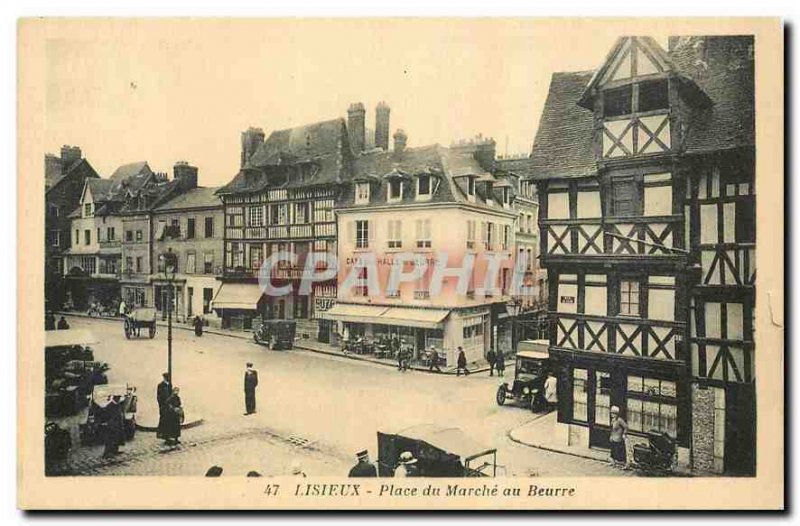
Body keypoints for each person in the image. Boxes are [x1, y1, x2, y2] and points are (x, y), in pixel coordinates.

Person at [156, 373, 171, 439]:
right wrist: (161, 404)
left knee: (167, 420)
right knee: (162, 419)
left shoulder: (169, 385)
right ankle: (160, 433)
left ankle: (166, 434)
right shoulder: (161, 385)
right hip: (163, 405)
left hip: (168, 406)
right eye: (166, 377)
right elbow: (159, 396)